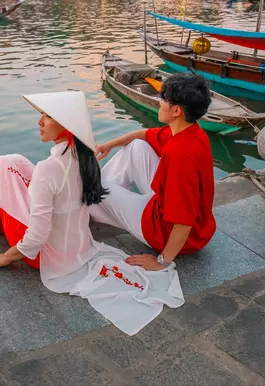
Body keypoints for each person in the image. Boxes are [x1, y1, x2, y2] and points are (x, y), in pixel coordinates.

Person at [0, 91, 183, 335]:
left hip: (44, 257)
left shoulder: (48, 169)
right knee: (12, 161)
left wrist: (8, 257)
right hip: (78, 248)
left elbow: (38, 233)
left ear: (65, 126)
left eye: (47, 116)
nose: (40, 122)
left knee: (1, 166)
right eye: (41, 115)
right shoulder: (85, 157)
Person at [90, 74, 216, 268]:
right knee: (137, 146)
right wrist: (110, 144)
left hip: (162, 232)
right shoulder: (190, 131)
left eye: (163, 100)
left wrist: (162, 261)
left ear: (176, 111)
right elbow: (143, 134)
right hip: (176, 217)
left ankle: (90, 201)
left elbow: (183, 223)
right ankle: (96, 201)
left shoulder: (180, 155)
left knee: (88, 183)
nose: (159, 103)